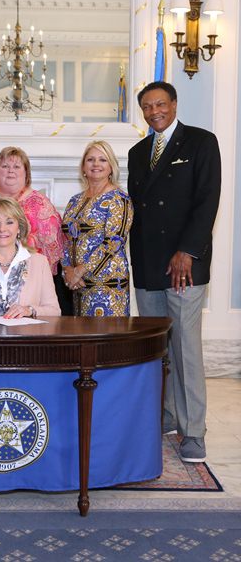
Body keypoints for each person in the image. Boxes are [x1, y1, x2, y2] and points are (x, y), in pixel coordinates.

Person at [128, 81, 221, 464]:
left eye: (160, 104)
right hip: (149, 265)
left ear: (174, 104)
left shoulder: (201, 142)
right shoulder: (136, 152)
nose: (154, 112)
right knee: (156, 349)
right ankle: (165, 416)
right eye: (147, 107)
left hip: (184, 264)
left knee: (185, 349)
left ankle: (194, 432)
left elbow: (207, 199)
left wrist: (187, 251)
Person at [0, 145, 71, 313]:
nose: (10, 171)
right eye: (5, 166)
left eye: (16, 166)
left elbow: (54, 249)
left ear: (26, 173)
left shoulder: (41, 203)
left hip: (28, 284)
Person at [61, 140, 133, 317]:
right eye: (90, 159)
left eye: (103, 159)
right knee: (80, 340)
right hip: (76, 285)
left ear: (111, 167)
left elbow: (113, 243)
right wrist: (67, 271)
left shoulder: (119, 199)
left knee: (106, 341)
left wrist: (79, 271)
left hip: (106, 285)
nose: (96, 164)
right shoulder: (74, 200)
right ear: (83, 167)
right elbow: (64, 239)